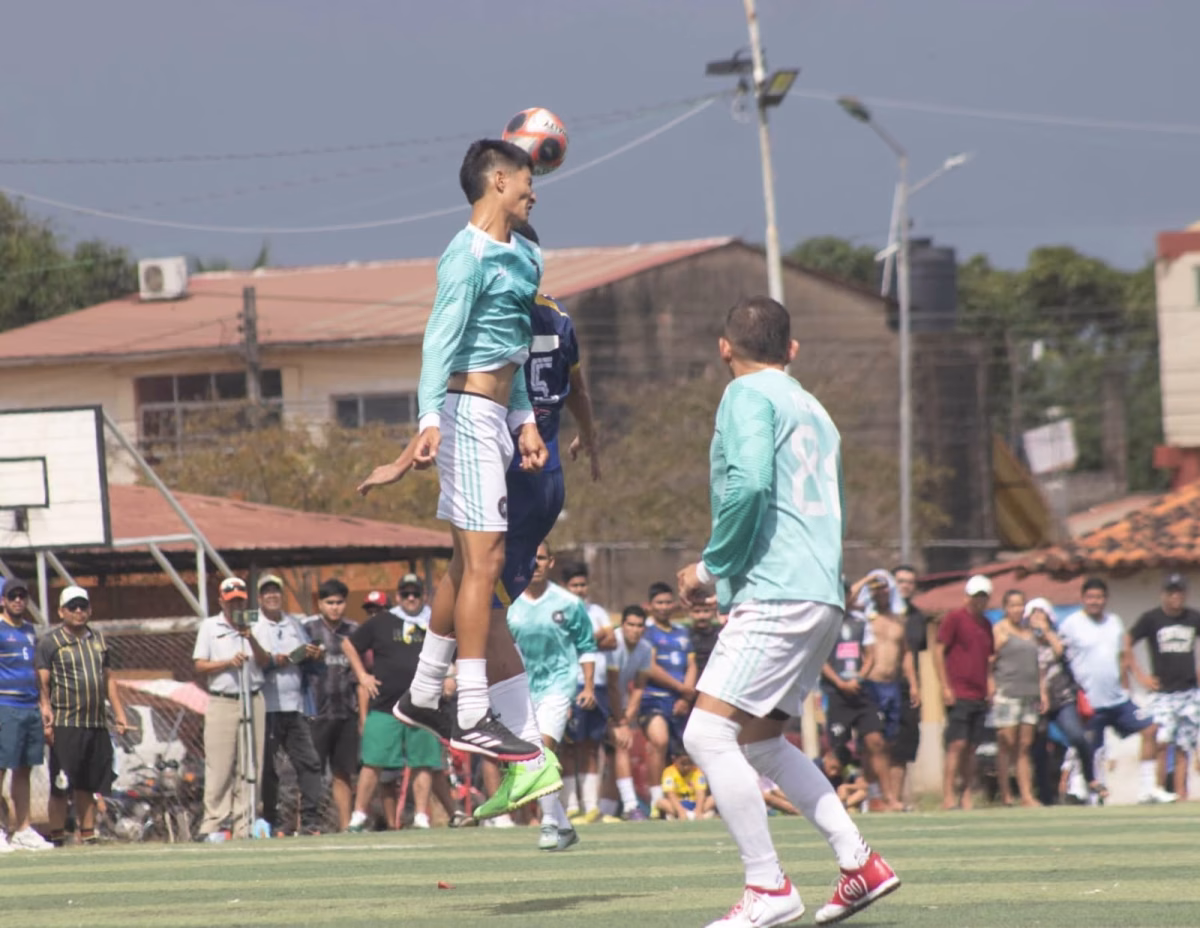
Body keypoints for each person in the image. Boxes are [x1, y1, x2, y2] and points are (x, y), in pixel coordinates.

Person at [678, 296, 899, 928]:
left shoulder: (746, 394)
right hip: (820, 591)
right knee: (762, 742)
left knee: (705, 735)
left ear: (725, 348)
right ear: (792, 350)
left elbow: (749, 484)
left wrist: (710, 569)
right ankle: (859, 862)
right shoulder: (815, 409)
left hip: (777, 592)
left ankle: (767, 885)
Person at [385, 139, 551, 764]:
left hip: (496, 418)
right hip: (465, 417)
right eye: (528, 180)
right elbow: (439, 341)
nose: (535, 192)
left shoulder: (526, 254)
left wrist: (525, 420)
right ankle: (474, 711)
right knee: (488, 561)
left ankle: (425, 693)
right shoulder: (466, 254)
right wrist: (428, 418)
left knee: (465, 564)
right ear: (499, 181)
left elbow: (511, 346)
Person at [500, 542, 597, 851]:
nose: (536, 563)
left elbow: (586, 646)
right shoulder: (510, 602)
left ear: (551, 562)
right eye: (531, 557)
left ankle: (549, 824)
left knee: (541, 750)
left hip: (558, 687)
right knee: (529, 757)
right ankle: (565, 826)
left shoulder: (568, 602)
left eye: (541, 558)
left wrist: (588, 686)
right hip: (521, 689)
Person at [344, 578, 458, 832]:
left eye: (415, 593)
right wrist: (362, 676)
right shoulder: (382, 621)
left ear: (424, 595)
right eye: (405, 594)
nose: (411, 598)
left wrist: (452, 678)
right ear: (397, 597)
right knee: (373, 760)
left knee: (423, 762)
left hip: (423, 705)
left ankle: (421, 816)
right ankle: (359, 814)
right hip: (385, 704)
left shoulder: (436, 622)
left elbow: (458, 653)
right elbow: (349, 644)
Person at [1058, 577, 1176, 804]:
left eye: (1099, 597)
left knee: (1150, 728)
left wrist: (1137, 679)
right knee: (1090, 748)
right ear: (1083, 599)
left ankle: (1147, 789)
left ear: (1106, 599)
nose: (1095, 601)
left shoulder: (1114, 622)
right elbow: (1059, 655)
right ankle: (1082, 790)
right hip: (1089, 701)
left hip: (1117, 699)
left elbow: (1123, 655)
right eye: (1090, 597)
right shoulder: (1071, 624)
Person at [37, 586, 128, 847]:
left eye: (82, 606)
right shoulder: (51, 642)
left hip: (95, 721)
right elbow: (42, 682)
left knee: (88, 783)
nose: (78, 611)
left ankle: (88, 834)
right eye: (72, 607)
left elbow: (108, 679)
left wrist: (119, 713)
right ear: (61, 611)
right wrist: (46, 711)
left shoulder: (98, 640)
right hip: (66, 722)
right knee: (61, 782)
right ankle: (57, 836)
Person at [193, 577, 271, 839]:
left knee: (251, 764)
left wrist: (250, 638)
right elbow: (200, 664)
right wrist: (227, 663)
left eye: (239, 600)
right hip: (222, 700)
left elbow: (265, 660)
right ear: (221, 602)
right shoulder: (209, 626)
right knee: (220, 765)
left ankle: (245, 823)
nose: (235, 605)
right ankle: (214, 823)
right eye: (231, 601)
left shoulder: (257, 623)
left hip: (253, 697)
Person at [254, 574, 325, 835]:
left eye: (276, 591)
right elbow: (252, 663)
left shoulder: (295, 624)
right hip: (266, 706)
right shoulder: (254, 626)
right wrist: (275, 661)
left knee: (309, 763)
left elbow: (315, 667)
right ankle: (269, 821)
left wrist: (314, 656)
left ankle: (310, 821)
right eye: (267, 592)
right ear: (259, 597)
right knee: (268, 768)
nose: (272, 596)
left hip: (295, 707)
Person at [820, 581, 899, 812]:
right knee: (837, 750)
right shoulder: (824, 621)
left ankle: (889, 797)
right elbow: (820, 658)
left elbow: (870, 656)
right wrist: (839, 682)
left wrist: (858, 678)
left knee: (876, 741)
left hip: (859, 690)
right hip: (836, 692)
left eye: (847, 594)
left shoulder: (860, 621)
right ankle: (832, 800)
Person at [1127, 573, 1200, 799]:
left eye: (1179, 591)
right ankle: (1157, 790)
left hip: (1188, 691)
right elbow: (1127, 641)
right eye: (1171, 592)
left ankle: (1181, 794)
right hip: (1163, 692)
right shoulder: (1152, 619)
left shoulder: (1193, 617)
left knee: (1184, 747)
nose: (1176, 596)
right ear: (1163, 594)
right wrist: (1140, 676)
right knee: (1161, 741)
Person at [1026, 597, 1105, 802]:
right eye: (1034, 615)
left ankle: (1090, 777)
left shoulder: (1057, 636)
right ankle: (1045, 796)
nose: (1037, 619)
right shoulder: (1025, 640)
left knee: (1077, 736)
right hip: (1036, 701)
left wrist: (1046, 631)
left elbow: (1060, 651)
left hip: (1062, 697)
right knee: (1039, 748)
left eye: (1041, 615)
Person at [933, 574, 996, 811]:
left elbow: (988, 659)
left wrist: (990, 685)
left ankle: (967, 793)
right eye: (976, 596)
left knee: (972, 748)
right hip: (958, 692)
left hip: (979, 694)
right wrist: (945, 686)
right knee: (956, 744)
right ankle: (948, 795)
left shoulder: (986, 625)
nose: (979, 601)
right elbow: (939, 651)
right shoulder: (954, 619)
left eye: (983, 597)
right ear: (967, 597)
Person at [857, 570, 918, 811]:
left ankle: (887, 796)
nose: (880, 592)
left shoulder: (898, 620)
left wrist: (913, 683)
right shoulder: (864, 618)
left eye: (884, 588)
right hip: (870, 683)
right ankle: (876, 795)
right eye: (876, 589)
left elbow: (906, 653)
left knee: (890, 742)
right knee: (873, 741)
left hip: (892, 685)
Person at [302, 578, 361, 831]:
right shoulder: (307, 629)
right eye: (330, 602)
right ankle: (308, 825)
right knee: (311, 771)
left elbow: (363, 671)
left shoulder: (354, 630)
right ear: (320, 604)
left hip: (346, 711)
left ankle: (346, 827)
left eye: (339, 602)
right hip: (315, 712)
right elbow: (295, 662)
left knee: (343, 772)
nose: (335, 607)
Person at [0, 578, 52, 852]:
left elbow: (35, 669)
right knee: (1, 767)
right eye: (13, 596)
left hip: (29, 707)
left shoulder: (30, 630)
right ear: (3, 600)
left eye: (22, 596)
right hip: (5, 705)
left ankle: (22, 829)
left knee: (24, 769)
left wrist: (45, 704)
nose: (18, 601)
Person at [560, 562, 614, 823]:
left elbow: (612, 640)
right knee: (569, 746)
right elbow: (566, 645)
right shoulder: (561, 612)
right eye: (574, 585)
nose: (580, 589)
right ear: (565, 587)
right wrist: (596, 636)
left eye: (582, 585)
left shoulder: (598, 611)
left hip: (599, 685)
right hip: (573, 685)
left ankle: (591, 805)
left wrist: (587, 640)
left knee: (592, 746)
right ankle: (570, 805)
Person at [640, 581, 695, 817]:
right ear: (650, 606)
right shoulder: (647, 632)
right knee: (659, 741)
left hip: (681, 701)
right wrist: (681, 688)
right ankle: (656, 799)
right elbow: (650, 667)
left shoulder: (682, 632)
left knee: (688, 749)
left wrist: (687, 695)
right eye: (659, 603)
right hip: (653, 699)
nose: (664, 607)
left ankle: (690, 802)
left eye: (667, 602)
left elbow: (692, 664)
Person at [990, 590, 1042, 807]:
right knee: (1006, 744)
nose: (1017, 609)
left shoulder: (1029, 632)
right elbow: (989, 660)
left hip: (1029, 694)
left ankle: (1026, 795)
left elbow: (1038, 664)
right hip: (1007, 692)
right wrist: (990, 686)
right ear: (1005, 608)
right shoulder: (1000, 630)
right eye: (1012, 605)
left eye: (1020, 605)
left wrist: (1042, 692)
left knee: (1024, 746)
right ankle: (1006, 794)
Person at [603, 605, 654, 821]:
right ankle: (631, 806)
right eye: (630, 625)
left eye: (639, 625)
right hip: (597, 699)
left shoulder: (646, 648)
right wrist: (620, 722)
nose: (635, 630)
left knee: (617, 748)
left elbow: (639, 687)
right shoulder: (613, 642)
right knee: (618, 744)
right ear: (622, 625)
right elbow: (612, 685)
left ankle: (606, 810)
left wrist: (626, 717)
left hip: (618, 705)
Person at [890, 564, 927, 804]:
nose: (905, 586)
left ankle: (896, 799)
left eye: (910, 582)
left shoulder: (917, 617)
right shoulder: (878, 613)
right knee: (880, 743)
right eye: (901, 581)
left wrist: (916, 686)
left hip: (907, 688)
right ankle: (880, 798)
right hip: (883, 685)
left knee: (903, 745)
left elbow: (914, 654)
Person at [655, 750, 715, 820]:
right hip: (677, 804)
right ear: (674, 760)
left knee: (714, 799)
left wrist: (698, 810)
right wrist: (680, 811)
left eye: (690, 763)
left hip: (695, 804)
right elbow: (670, 794)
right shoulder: (668, 772)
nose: (686, 767)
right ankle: (682, 815)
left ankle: (694, 814)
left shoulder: (697, 771)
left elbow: (700, 793)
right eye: (683, 764)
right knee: (661, 802)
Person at [688, 599, 722, 678]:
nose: (702, 616)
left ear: (713, 612)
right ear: (690, 613)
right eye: (697, 611)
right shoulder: (684, 635)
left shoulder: (721, 635)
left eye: (706, 611)